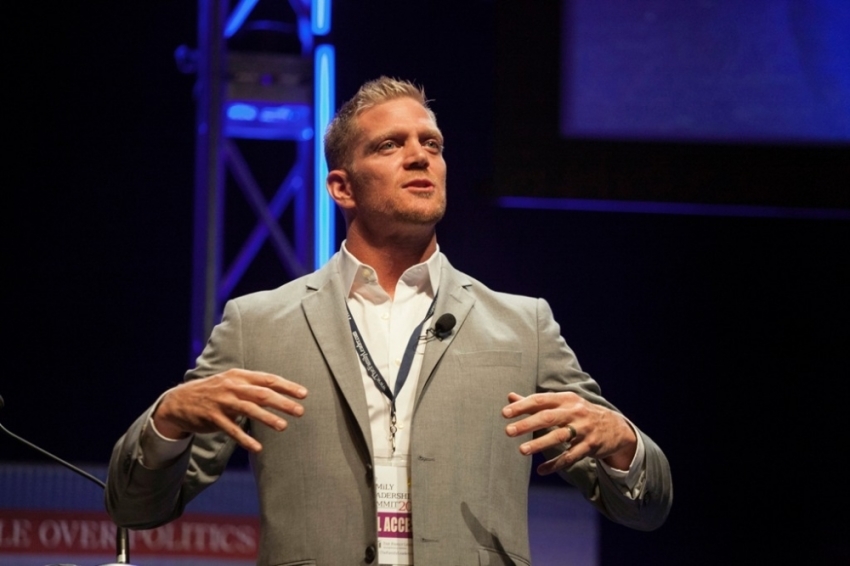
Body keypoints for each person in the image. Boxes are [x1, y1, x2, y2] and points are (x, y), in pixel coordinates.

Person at [106, 77, 672, 565]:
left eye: (432, 143)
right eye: (390, 145)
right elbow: (136, 507)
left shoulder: (524, 325)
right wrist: (168, 419)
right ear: (341, 187)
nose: (420, 155)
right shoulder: (259, 323)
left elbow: (646, 507)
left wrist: (622, 442)